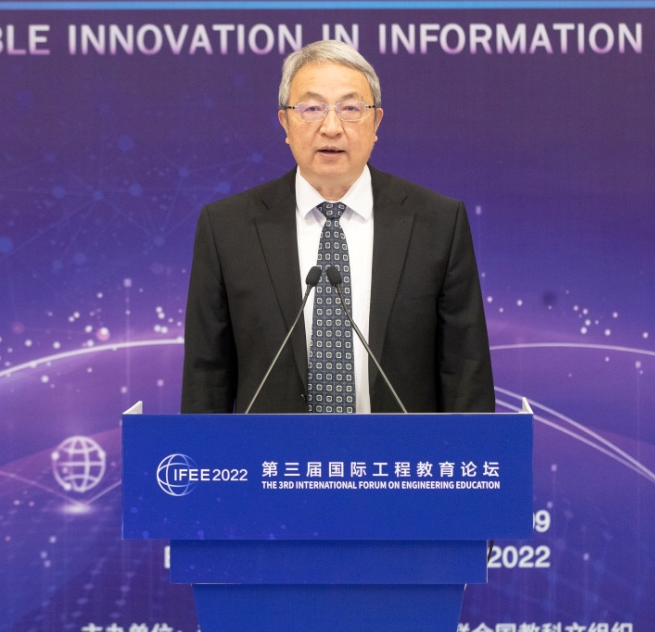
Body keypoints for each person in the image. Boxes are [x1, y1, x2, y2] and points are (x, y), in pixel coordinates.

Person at [181, 40, 494, 414]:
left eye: (351, 109)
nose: (331, 128)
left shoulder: (438, 223)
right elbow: (206, 375)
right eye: (312, 108)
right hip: (273, 451)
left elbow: (465, 372)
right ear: (285, 122)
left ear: (376, 122)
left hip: (400, 451)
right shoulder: (228, 228)